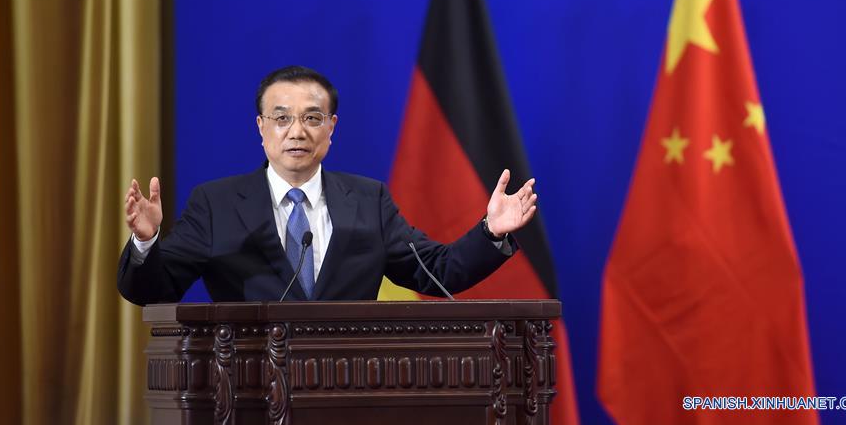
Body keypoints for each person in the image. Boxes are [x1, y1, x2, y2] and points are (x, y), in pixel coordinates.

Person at [118, 66, 538, 305]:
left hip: (348, 395)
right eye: (282, 118)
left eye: (312, 118)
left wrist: (491, 232)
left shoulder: (368, 200)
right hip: (246, 395)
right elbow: (153, 290)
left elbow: (438, 271)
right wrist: (146, 242)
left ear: (331, 128)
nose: (297, 131)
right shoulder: (216, 204)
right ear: (261, 129)